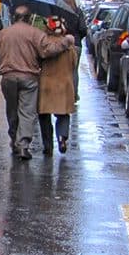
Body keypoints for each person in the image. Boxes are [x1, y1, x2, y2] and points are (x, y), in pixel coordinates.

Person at [0, 5, 74, 160]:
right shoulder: (35, 33)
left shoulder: (3, 33)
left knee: (12, 110)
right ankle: (23, 145)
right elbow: (48, 50)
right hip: (28, 77)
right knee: (27, 112)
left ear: (14, 17)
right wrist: (66, 41)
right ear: (28, 18)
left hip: (8, 77)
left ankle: (14, 139)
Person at [38, 16, 77, 156]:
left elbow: (37, 62)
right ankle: (62, 137)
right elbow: (74, 65)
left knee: (44, 115)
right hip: (64, 84)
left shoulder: (44, 44)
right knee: (63, 114)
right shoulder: (69, 46)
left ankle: (48, 145)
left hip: (46, 84)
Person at [61, 0, 87, 101]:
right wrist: (78, 38)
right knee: (74, 71)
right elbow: (83, 29)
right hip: (76, 44)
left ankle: (65, 94)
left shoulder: (60, 11)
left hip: (63, 44)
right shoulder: (78, 11)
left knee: (63, 70)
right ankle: (74, 95)